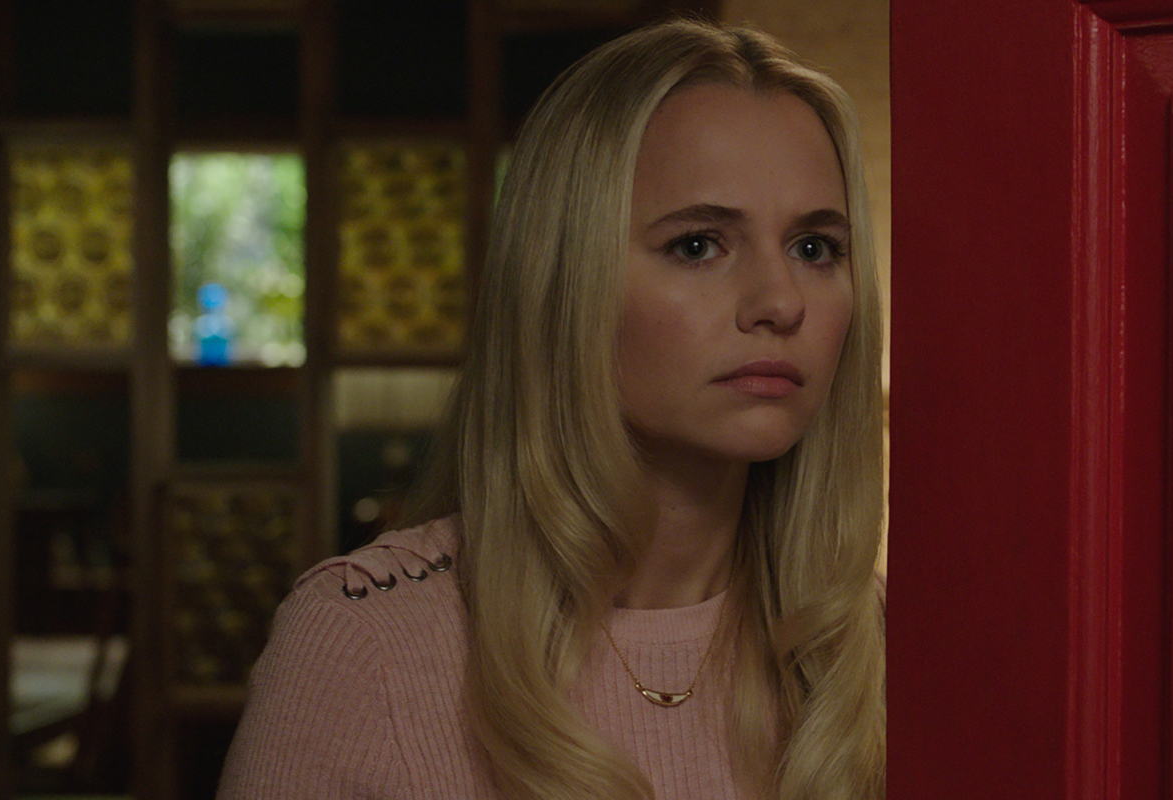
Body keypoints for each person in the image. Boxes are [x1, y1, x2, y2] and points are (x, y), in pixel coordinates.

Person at [215, 19, 885, 800]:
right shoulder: (363, 642)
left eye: (815, 248)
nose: (780, 301)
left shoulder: (869, 647)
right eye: (699, 245)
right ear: (564, 279)